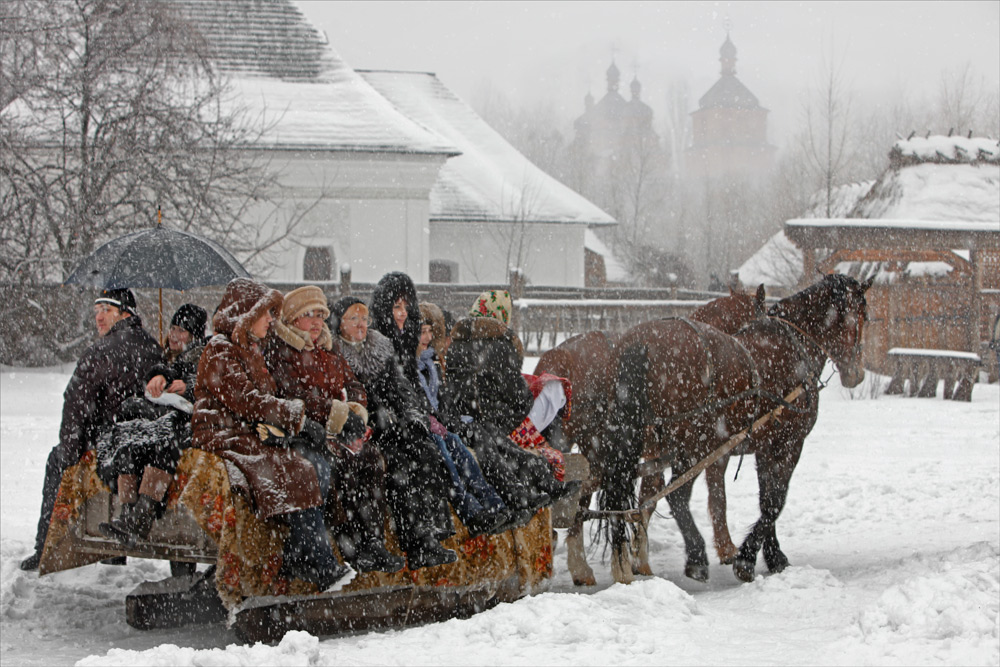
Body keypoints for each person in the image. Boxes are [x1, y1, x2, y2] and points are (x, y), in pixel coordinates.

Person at [191, 278, 353, 591]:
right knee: (297, 468)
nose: (270, 320)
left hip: (249, 432)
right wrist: (298, 419)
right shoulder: (220, 350)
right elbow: (247, 400)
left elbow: (265, 398)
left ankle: (297, 556)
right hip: (223, 434)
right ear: (246, 315)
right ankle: (316, 561)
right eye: (266, 313)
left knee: (310, 465)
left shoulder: (250, 349)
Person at [20, 288, 162, 571]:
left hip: (108, 441)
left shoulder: (100, 350)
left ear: (125, 313)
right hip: (144, 441)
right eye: (96, 310)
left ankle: (44, 546)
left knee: (55, 460)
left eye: (106, 311)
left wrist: (71, 453)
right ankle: (113, 554)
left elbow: (75, 405)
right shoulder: (152, 346)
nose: (98, 317)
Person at [264, 286, 404, 573]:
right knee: (339, 469)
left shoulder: (329, 348)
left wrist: (355, 410)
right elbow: (298, 395)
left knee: (371, 459)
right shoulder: (283, 350)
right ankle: (348, 544)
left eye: (320, 315)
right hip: (307, 432)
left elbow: (354, 385)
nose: (316, 322)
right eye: (308, 315)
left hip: (336, 429)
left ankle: (373, 541)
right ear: (291, 320)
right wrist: (339, 415)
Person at [330, 296, 457, 570]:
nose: (361, 324)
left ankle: (433, 531)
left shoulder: (380, 347)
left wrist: (411, 416)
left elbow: (401, 388)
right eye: (354, 319)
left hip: (391, 425)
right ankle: (414, 542)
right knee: (396, 465)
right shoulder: (335, 352)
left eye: (364, 318)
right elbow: (349, 398)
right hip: (366, 428)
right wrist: (374, 417)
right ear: (339, 323)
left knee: (425, 450)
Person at [439, 291, 581, 520]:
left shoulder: (457, 344)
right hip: (504, 421)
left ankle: (538, 482)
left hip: (472, 418)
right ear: (502, 316)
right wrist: (527, 396)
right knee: (555, 388)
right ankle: (551, 460)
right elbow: (517, 398)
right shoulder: (501, 343)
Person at [96, 303, 209, 547]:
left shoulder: (201, 356)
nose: (175, 335)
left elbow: (205, 385)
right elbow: (156, 372)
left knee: (162, 443)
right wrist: (156, 380)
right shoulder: (164, 356)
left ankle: (142, 516)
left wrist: (187, 387)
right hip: (156, 419)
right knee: (129, 440)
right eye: (173, 328)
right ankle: (128, 514)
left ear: (194, 335)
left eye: (182, 331)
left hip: (182, 424)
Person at [413, 302, 510, 535]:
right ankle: (471, 511)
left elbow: (442, 398)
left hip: (439, 423)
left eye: (429, 331)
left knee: (462, 451)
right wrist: (431, 419)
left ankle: (493, 504)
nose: (426, 337)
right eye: (421, 332)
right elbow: (414, 401)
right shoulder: (410, 363)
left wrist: (448, 420)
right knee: (445, 455)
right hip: (420, 426)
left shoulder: (431, 362)